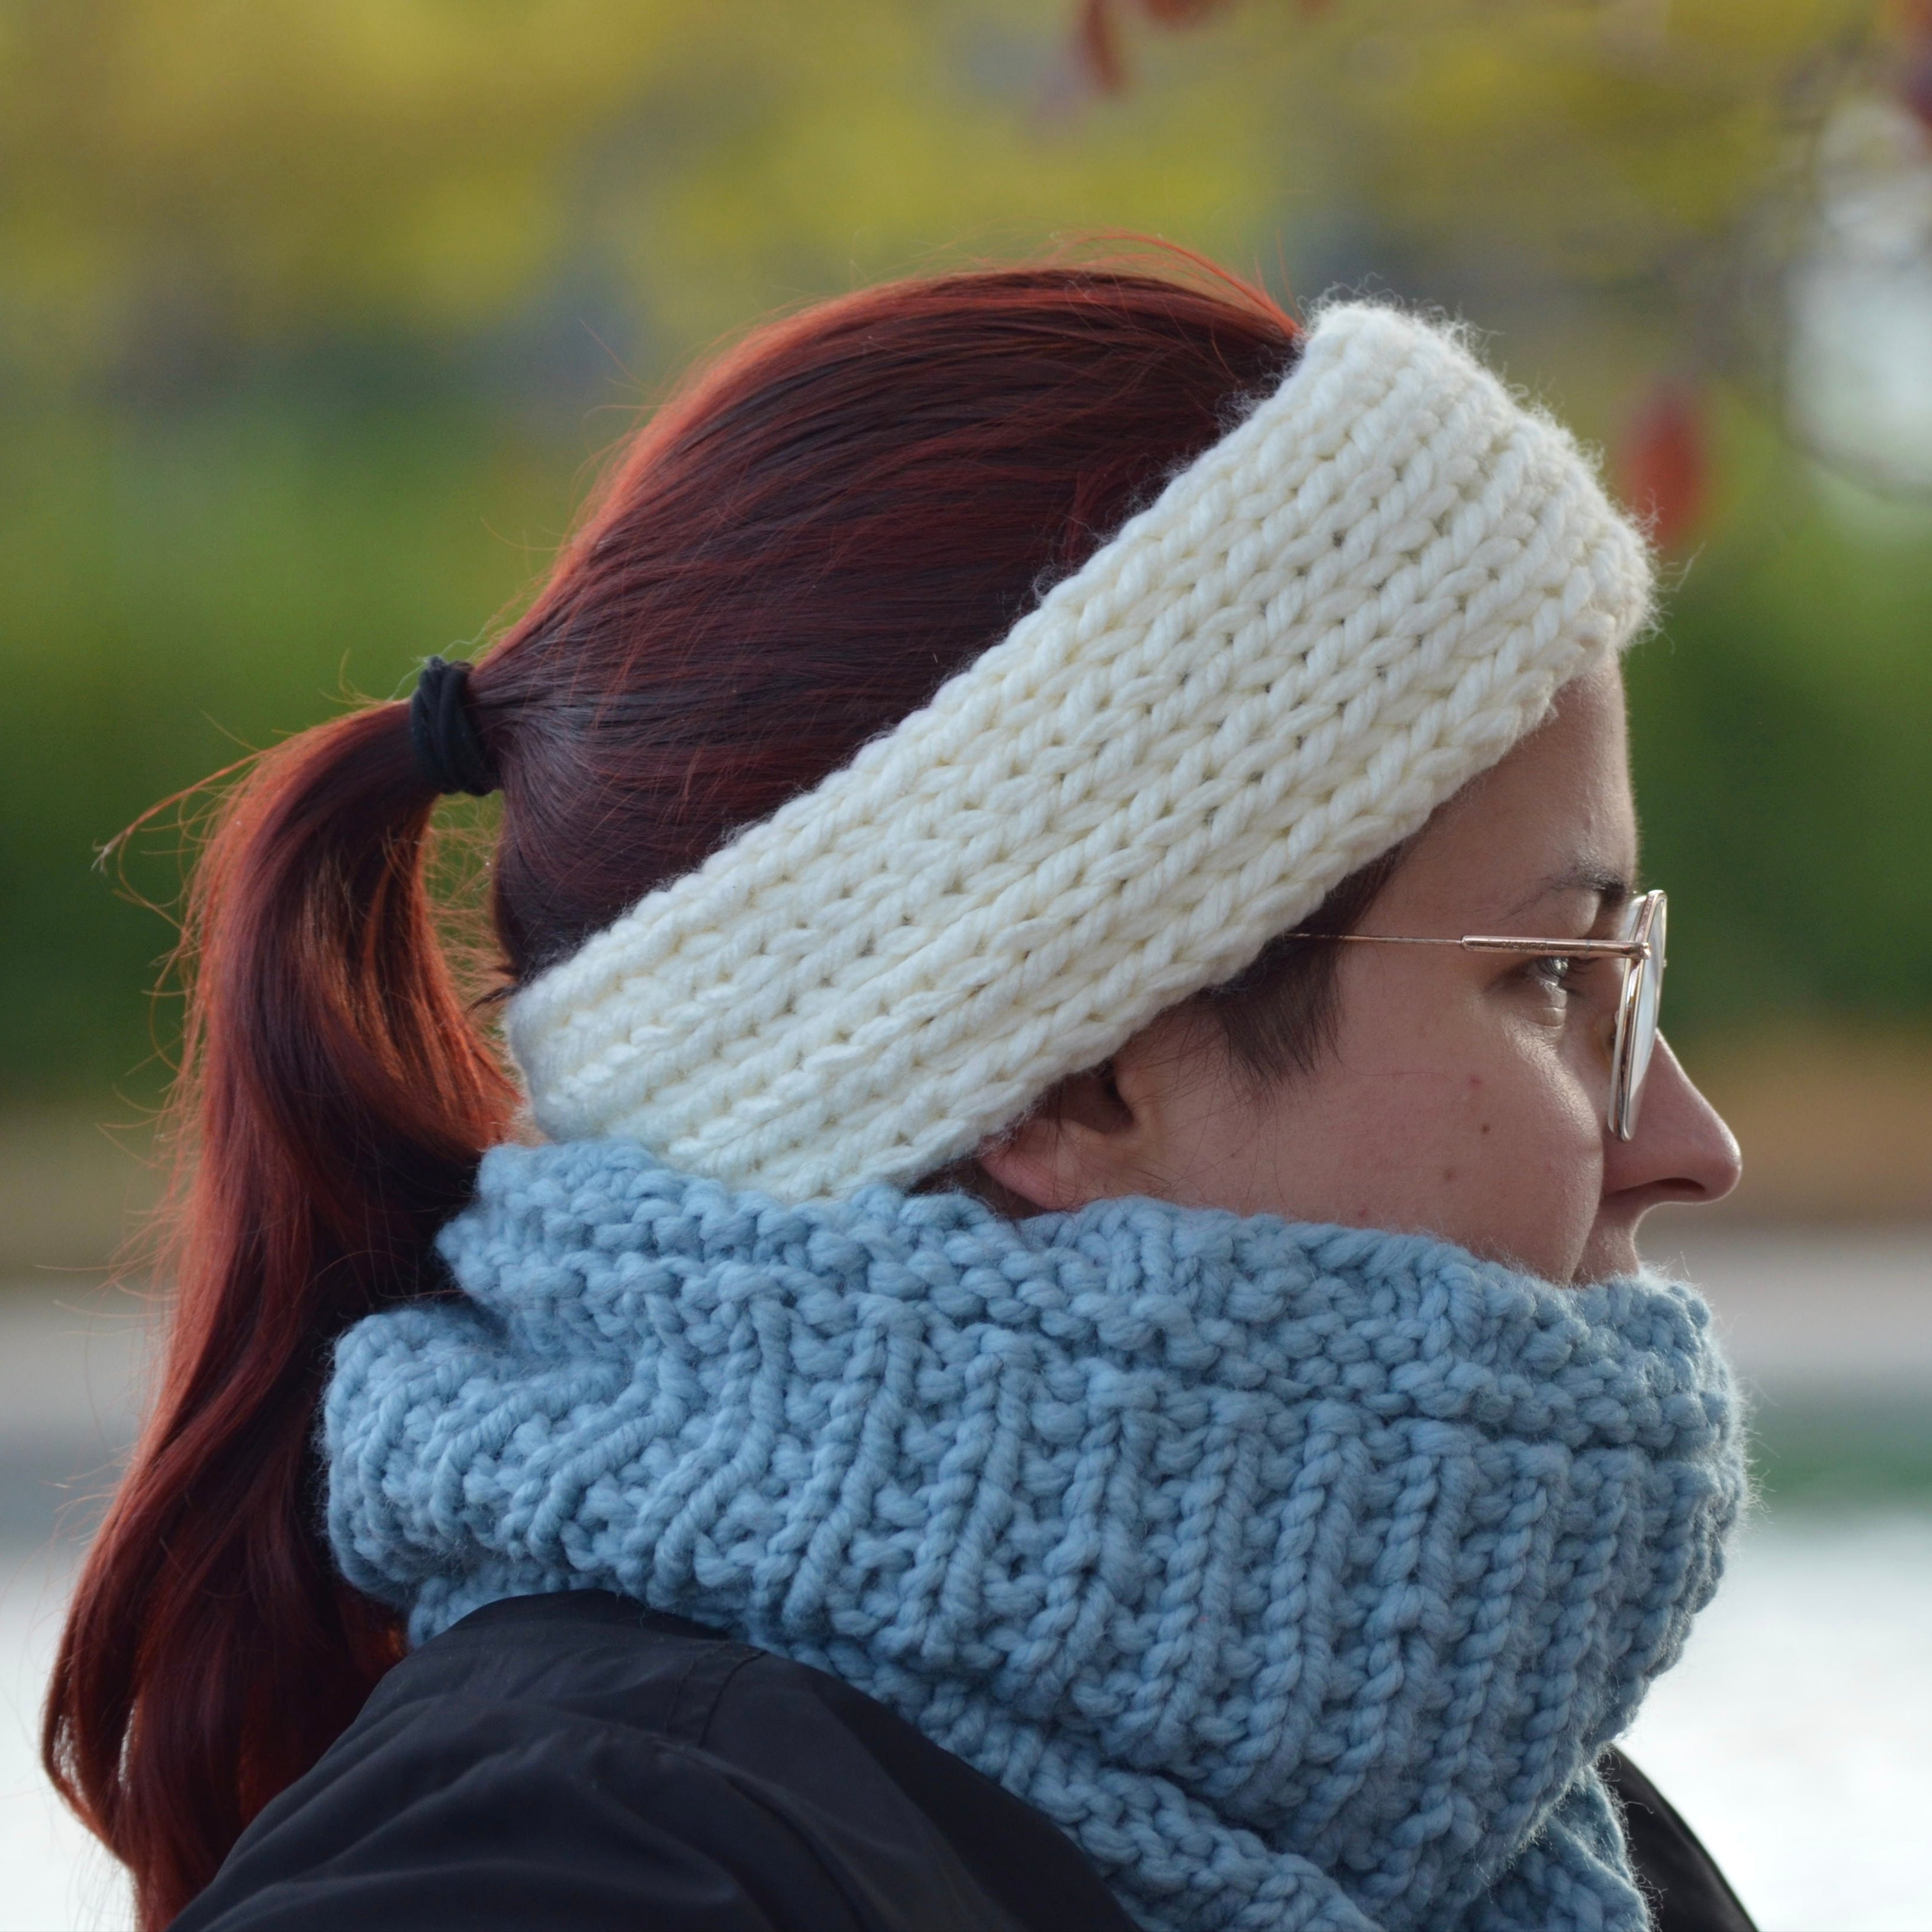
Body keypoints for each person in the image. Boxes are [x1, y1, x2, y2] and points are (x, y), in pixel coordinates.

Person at [46, 256, 1757, 1932]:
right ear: (1074, 1077)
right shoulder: (559, 1882)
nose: (1690, 1143)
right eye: (1553, 973)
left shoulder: (1528, 1851)